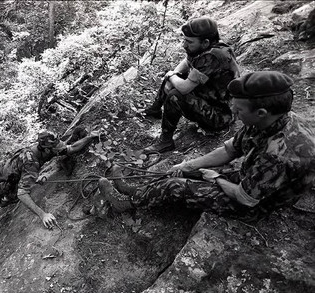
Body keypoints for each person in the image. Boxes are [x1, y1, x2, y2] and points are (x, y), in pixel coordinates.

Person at [99, 71, 315, 222]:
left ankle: (126, 203)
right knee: (189, 171)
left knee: (174, 186)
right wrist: (189, 164)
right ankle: (136, 191)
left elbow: (246, 199)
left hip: (256, 204)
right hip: (253, 178)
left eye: (239, 110)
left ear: (261, 113)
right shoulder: (268, 121)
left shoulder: (278, 153)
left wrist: (216, 178)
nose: (234, 112)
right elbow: (230, 150)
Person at [0, 127, 100, 249]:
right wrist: (43, 215)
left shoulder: (47, 147)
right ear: (46, 149)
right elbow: (22, 193)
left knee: (13, 196)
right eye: (53, 148)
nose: (57, 150)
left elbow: (71, 148)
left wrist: (90, 137)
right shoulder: (31, 162)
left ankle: (7, 199)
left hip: (15, 175)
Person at [143, 17, 240, 153]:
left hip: (221, 116)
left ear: (205, 42)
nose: (184, 45)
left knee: (175, 95)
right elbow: (187, 60)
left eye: (189, 42)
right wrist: (174, 74)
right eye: (184, 40)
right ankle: (155, 109)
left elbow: (184, 88)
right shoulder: (206, 48)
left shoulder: (213, 56)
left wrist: (171, 76)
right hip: (210, 97)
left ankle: (166, 141)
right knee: (174, 77)